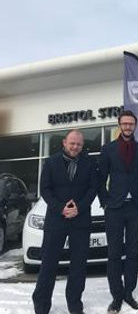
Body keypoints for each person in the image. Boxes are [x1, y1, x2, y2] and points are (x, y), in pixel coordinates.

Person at [32, 130, 98, 314]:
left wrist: (79, 207)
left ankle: (75, 305)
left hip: (80, 220)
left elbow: (93, 188)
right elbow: (45, 189)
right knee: (48, 264)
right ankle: (41, 305)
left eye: (79, 144)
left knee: (78, 265)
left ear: (82, 145)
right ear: (64, 143)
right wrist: (61, 207)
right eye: (72, 143)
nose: (75, 147)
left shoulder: (90, 163)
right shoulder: (51, 162)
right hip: (56, 220)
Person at [98, 110, 138, 313]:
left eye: (131, 124)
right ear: (119, 125)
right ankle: (116, 296)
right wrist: (105, 202)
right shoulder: (108, 149)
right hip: (115, 208)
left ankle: (129, 292)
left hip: (136, 207)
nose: (128, 127)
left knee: (133, 253)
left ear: (135, 126)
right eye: (125, 123)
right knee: (114, 254)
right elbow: (101, 179)